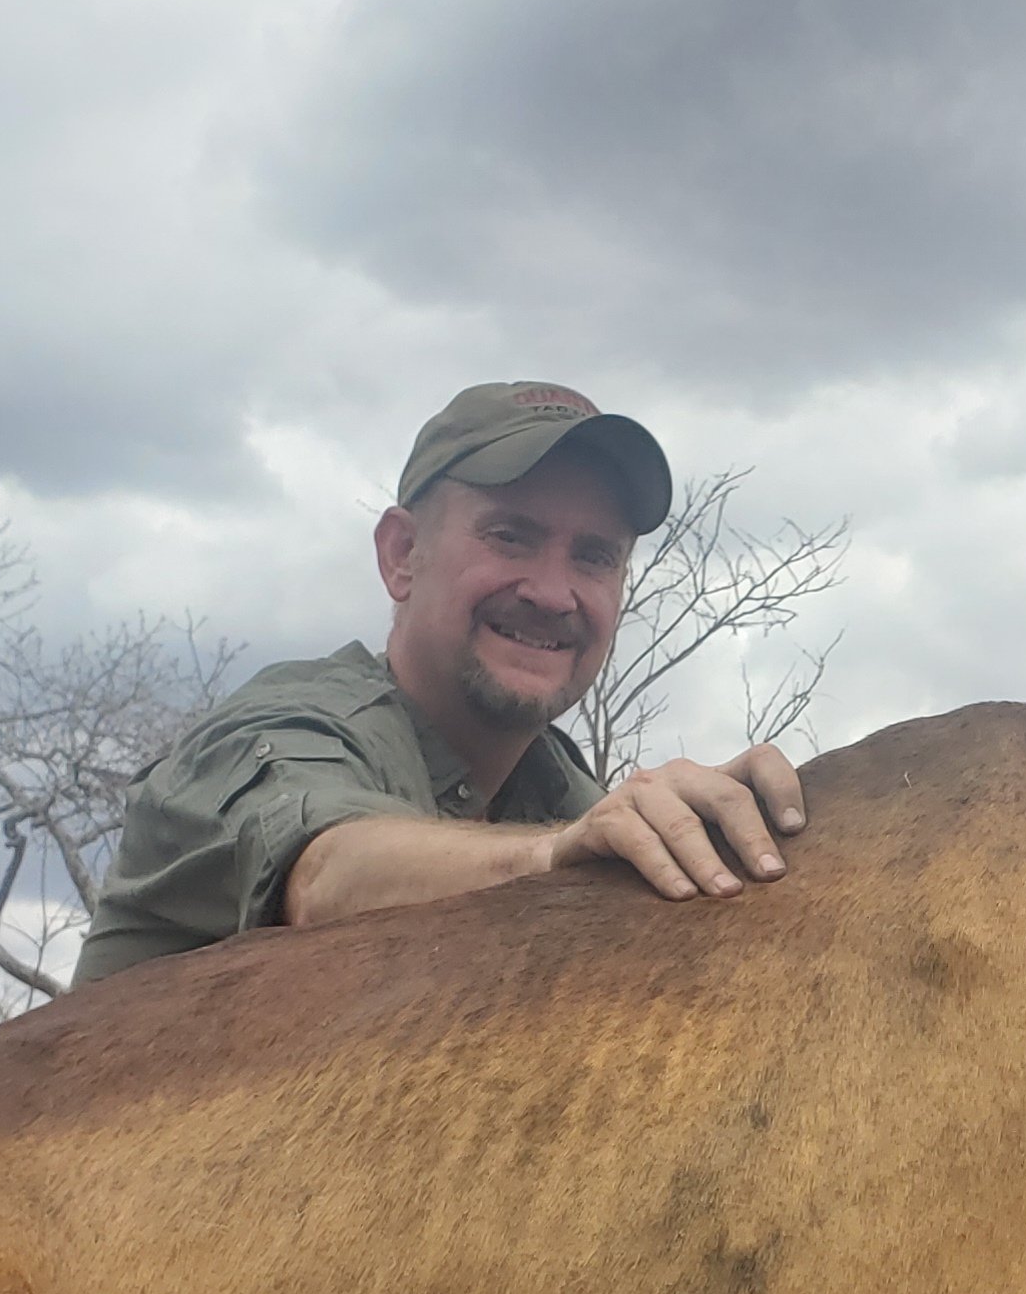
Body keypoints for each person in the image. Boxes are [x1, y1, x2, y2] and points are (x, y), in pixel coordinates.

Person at [73, 381, 808, 984]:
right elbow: (329, 873)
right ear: (402, 554)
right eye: (510, 535)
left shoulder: (556, 794)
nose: (554, 593)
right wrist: (552, 860)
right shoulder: (289, 724)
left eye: (595, 556)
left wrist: (739, 851)